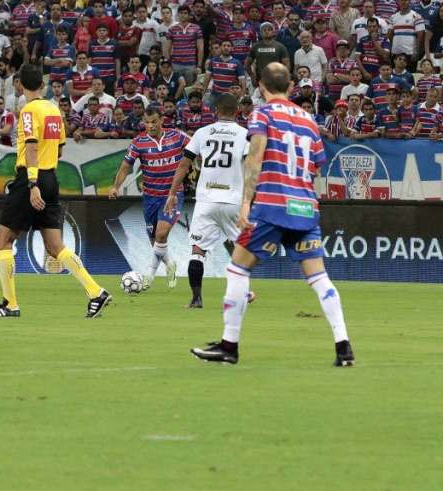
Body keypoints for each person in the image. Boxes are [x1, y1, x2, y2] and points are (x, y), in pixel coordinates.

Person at [191, 63, 354, 367]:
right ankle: (343, 346)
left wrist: (245, 203)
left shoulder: (263, 114)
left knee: (237, 269)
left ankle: (229, 345)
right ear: (291, 86)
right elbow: (317, 165)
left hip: (272, 205)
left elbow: (255, 157)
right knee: (319, 277)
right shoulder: (308, 119)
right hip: (305, 206)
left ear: (261, 86)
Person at [0, 64, 111, 319]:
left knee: (3, 240)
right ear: (43, 85)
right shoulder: (54, 110)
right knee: (54, 245)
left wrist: (32, 184)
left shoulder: (29, 111)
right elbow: (60, 150)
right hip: (51, 176)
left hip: (32, 178)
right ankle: (96, 292)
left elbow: (30, 147)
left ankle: (10, 304)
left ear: (20, 86)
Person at [164, 94, 248, 309]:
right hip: (233, 201)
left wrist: (172, 193)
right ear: (237, 111)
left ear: (215, 111)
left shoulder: (202, 133)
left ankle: (196, 299)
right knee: (241, 250)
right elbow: (252, 168)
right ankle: (242, 293)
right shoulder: (245, 135)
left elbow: (184, 165)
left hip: (206, 200)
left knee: (198, 251)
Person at [110, 106, 189, 289]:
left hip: (172, 195)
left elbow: (197, 146)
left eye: (154, 121)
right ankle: (170, 264)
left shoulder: (177, 136)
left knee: (161, 234)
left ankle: (148, 276)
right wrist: (115, 187)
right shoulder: (139, 142)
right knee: (155, 240)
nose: (151, 125)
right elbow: (126, 166)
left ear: (162, 120)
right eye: (147, 122)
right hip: (150, 197)